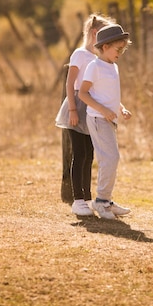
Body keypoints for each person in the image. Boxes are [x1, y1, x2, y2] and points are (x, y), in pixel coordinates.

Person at [56, 14, 114, 216]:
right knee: (79, 154)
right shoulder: (80, 54)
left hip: (91, 107)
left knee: (89, 155)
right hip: (77, 106)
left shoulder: (99, 58)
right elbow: (70, 83)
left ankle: (88, 198)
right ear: (94, 33)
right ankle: (77, 199)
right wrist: (72, 109)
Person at [78, 24, 133, 219]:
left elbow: (110, 95)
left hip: (109, 120)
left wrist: (121, 109)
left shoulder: (113, 67)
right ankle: (101, 202)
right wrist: (103, 111)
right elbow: (83, 93)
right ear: (104, 47)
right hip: (98, 118)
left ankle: (106, 200)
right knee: (110, 158)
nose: (121, 53)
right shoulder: (95, 66)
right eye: (118, 49)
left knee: (111, 158)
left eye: (123, 49)